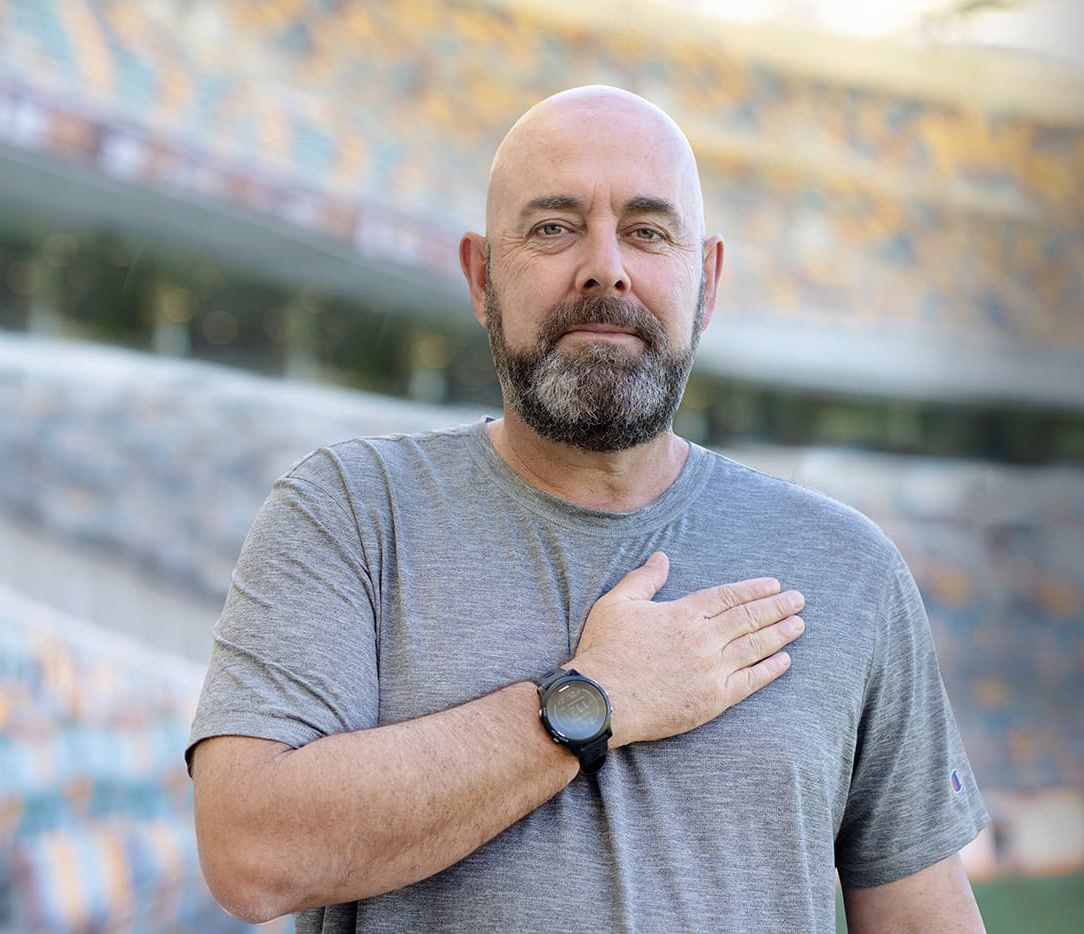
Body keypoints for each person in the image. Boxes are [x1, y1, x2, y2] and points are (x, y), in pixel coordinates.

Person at [183, 85, 990, 933]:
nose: (606, 266)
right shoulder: (349, 514)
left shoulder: (849, 568)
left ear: (706, 281)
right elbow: (251, 853)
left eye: (646, 230)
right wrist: (594, 701)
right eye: (553, 227)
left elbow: (919, 917)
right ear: (481, 277)